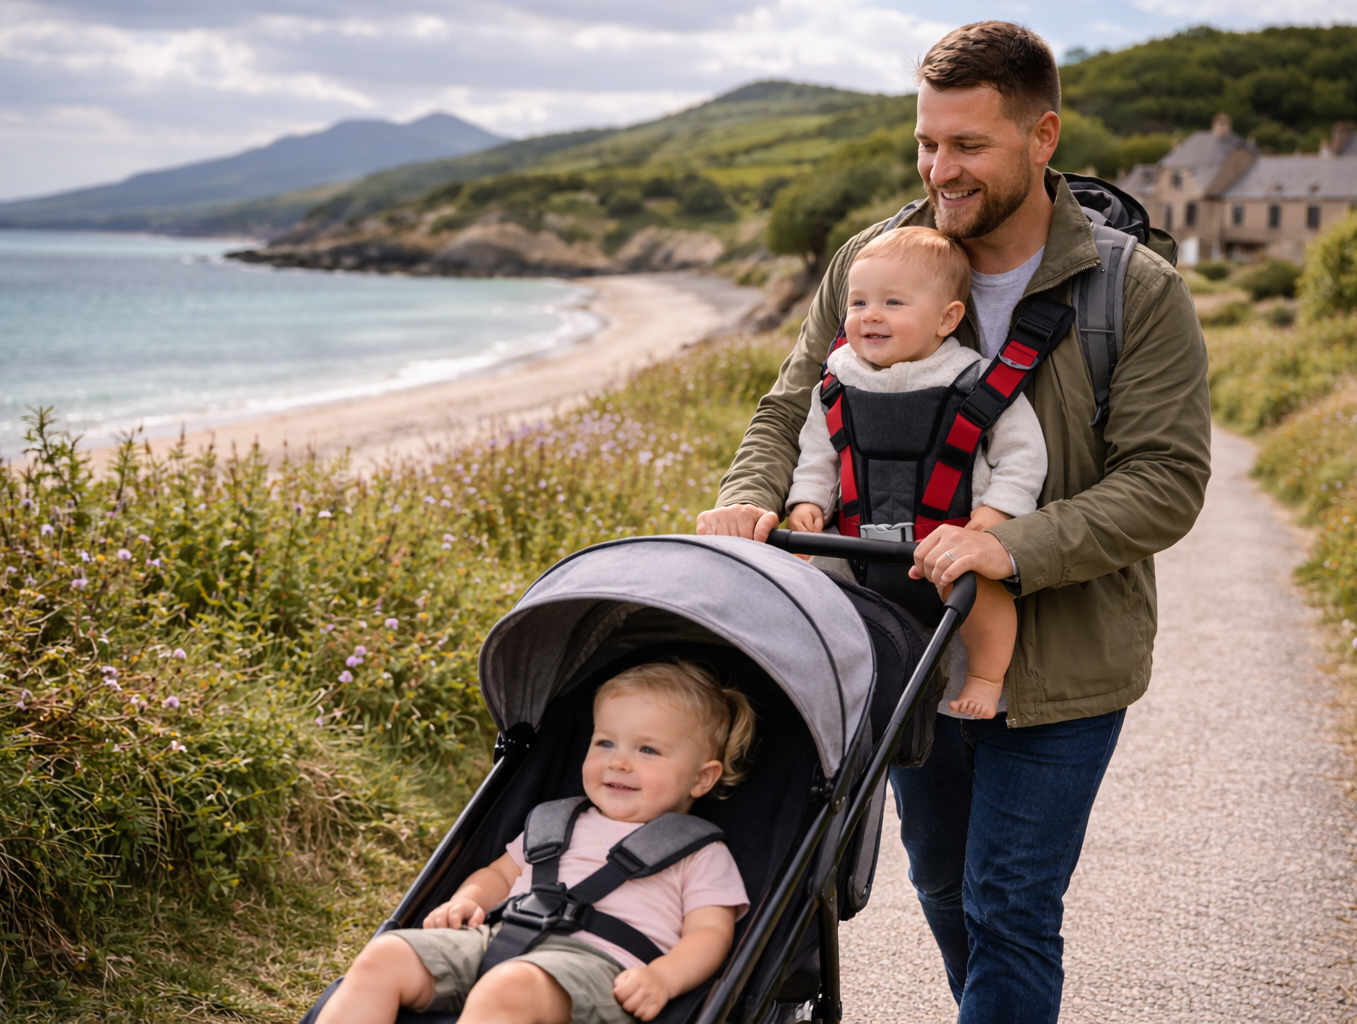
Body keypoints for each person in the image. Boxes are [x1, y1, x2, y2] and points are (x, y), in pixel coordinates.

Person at [697, 20, 1210, 1024]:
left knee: (1009, 905)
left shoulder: (1134, 293)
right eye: (928, 143)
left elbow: (1166, 482)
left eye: (968, 145)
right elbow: (792, 405)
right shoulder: (875, 260)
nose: (942, 169)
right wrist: (755, 491)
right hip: (905, 649)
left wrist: (1006, 544)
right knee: (943, 893)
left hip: (1067, 664)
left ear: (1042, 136)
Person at [317, 661, 753, 1024]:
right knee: (386, 954)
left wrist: (664, 978)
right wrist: (468, 899)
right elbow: (498, 875)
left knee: (510, 986)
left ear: (702, 778)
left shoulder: (700, 853)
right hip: (502, 939)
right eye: (605, 742)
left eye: (648, 751)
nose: (618, 762)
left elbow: (709, 935)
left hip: (595, 971)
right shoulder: (555, 821)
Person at [785, 225, 1047, 719]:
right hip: (855, 543)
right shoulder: (838, 378)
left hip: (947, 541)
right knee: (810, 583)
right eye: (858, 303)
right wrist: (808, 503)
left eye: (893, 303)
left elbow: (1023, 454)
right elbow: (819, 451)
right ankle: (824, 679)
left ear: (947, 318)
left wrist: (997, 513)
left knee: (979, 591)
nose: (871, 316)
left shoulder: (975, 381)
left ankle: (987, 677)